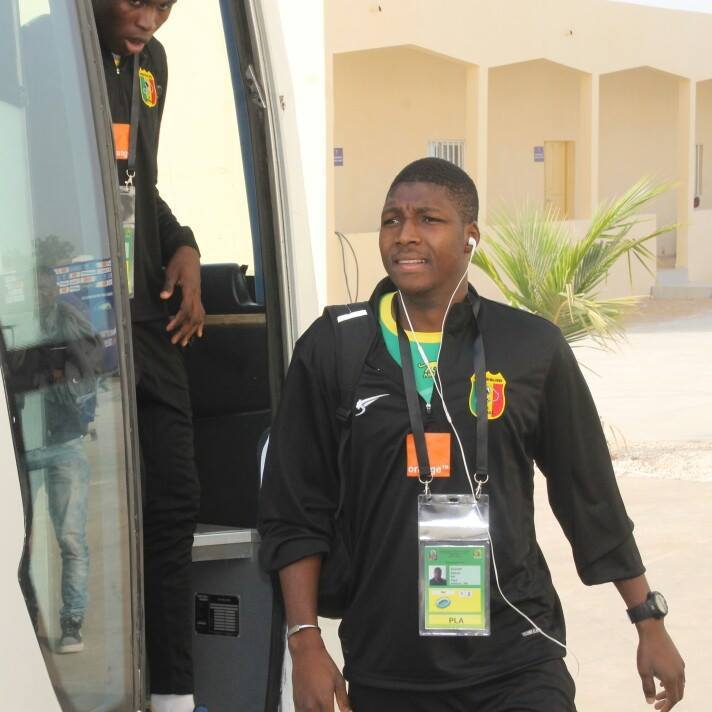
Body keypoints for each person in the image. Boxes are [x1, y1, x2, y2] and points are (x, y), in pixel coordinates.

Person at [258, 157, 685, 711]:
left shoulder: (529, 346)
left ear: (470, 237)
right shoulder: (334, 348)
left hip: (518, 657)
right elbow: (295, 508)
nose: (405, 235)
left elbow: (589, 494)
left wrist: (647, 618)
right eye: (391, 220)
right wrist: (305, 640)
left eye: (428, 219)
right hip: (390, 667)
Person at [92, 3, 205, 711]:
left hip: (143, 321)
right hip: (68, 320)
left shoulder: (150, 64)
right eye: (138, 1)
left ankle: (172, 696)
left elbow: (138, 183)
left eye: (164, 6)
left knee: (173, 502)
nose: (150, 20)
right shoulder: (38, 53)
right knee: (83, 516)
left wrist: (182, 244)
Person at [12, 267, 102, 654]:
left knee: (70, 539)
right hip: (25, 446)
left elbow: (90, 368)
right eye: (36, 288)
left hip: (64, 441)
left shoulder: (72, 323)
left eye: (47, 287)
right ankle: (27, 619)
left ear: (56, 289)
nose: (42, 294)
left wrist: (60, 379)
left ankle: (71, 623)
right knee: (19, 541)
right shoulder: (17, 325)